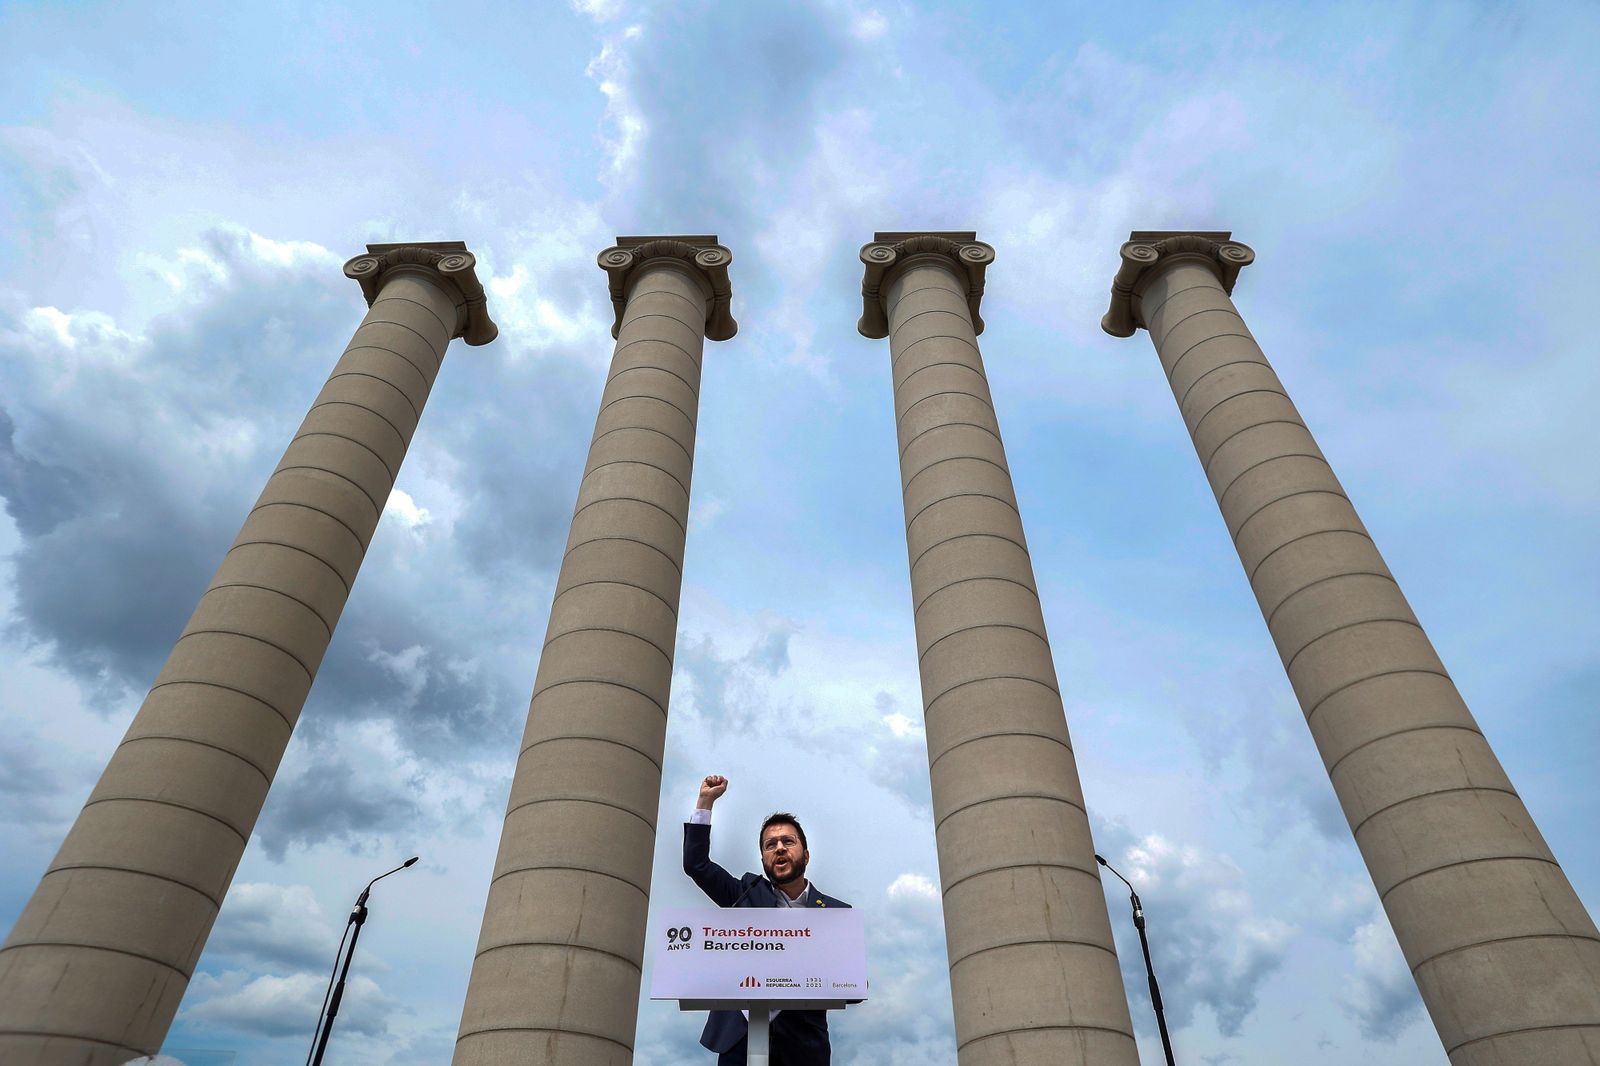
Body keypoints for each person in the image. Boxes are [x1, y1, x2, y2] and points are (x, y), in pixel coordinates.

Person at [683, 773, 850, 1066]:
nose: (780, 848)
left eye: (788, 841)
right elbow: (696, 865)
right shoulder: (745, 894)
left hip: (801, 1049)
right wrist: (705, 802)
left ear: (806, 855)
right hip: (738, 1044)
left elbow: (852, 986)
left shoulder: (835, 914)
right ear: (763, 860)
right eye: (770, 845)